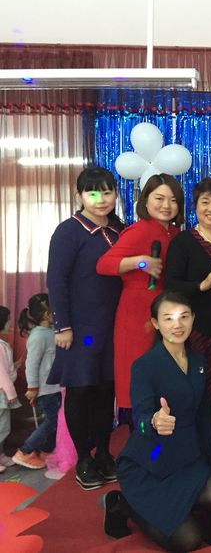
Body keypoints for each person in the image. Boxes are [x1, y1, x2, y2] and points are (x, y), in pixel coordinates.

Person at [103, 291, 211, 552]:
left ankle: (174, 506)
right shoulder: (144, 366)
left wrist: (209, 458)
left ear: (193, 319)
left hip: (187, 455)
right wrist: (154, 421)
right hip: (152, 458)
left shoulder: (198, 361)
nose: (177, 325)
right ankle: (122, 503)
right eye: (168, 318)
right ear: (156, 323)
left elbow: (202, 415)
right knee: (189, 540)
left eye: (184, 317)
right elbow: (139, 419)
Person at [46, 167, 123, 489]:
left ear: (115, 194)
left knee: (106, 390)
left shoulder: (119, 230)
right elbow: (56, 281)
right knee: (79, 391)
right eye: (92, 193)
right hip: (78, 329)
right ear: (79, 196)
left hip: (113, 326)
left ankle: (103, 453)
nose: (101, 199)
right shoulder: (69, 231)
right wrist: (62, 326)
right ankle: (83, 459)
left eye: (107, 192)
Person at [97, 174, 183, 415]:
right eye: (159, 198)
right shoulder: (139, 230)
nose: (166, 205)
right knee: (141, 375)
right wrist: (140, 262)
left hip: (166, 311)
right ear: (145, 201)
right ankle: (141, 430)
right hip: (137, 311)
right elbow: (104, 264)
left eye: (173, 200)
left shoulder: (175, 233)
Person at [165, 177, 211, 442]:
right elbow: (170, 285)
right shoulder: (184, 241)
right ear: (195, 206)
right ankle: (193, 444)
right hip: (198, 327)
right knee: (197, 386)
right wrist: (200, 286)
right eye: (205, 202)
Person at [12, 294, 61, 470]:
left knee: (53, 422)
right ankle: (24, 451)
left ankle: (44, 451)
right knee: (50, 422)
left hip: (54, 388)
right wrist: (32, 387)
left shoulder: (50, 332)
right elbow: (31, 364)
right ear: (47, 314)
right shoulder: (38, 336)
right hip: (46, 390)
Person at [0, 306, 20, 472]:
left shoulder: (3, 345)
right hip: (2, 393)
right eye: (8, 321)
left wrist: (15, 366)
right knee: (2, 426)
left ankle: (1, 455)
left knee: (3, 426)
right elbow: (2, 374)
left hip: (3, 392)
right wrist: (11, 394)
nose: (10, 324)